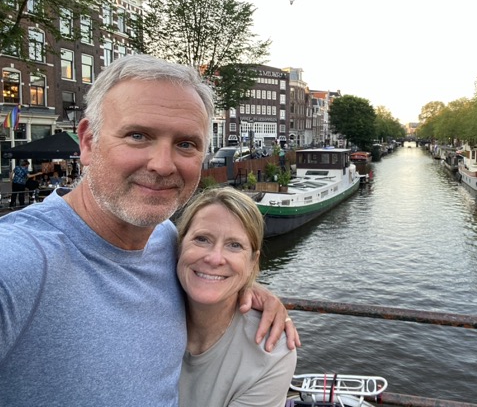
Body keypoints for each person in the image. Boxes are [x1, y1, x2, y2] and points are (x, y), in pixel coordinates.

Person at [0, 55, 299, 406]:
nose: (162, 165)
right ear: (89, 142)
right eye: (138, 136)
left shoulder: (166, 241)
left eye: (185, 144)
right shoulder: (21, 259)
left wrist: (246, 288)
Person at [177, 187, 296, 406]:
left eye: (234, 245)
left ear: (253, 262)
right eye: (202, 239)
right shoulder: (145, 307)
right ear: (179, 245)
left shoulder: (270, 353)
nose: (215, 258)